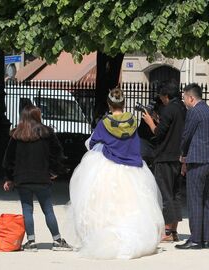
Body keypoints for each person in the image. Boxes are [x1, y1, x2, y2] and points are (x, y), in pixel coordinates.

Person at [66, 87, 164, 259]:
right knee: (133, 205)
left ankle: (104, 236)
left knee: (103, 204)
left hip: (108, 167)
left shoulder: (104, 124)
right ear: (124, 103)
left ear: (109, 105)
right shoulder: (132, 121)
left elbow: (92, 143)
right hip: (132, 168)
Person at [2, 105, 72, 252]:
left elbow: (9, 159)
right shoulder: (47, 133)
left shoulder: (16, 135)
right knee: (48, 210)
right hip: (42, 176)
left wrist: (9, 178)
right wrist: (54, 171)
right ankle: (57, 239)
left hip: (22, 178)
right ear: (37, 116)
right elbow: (57, 153)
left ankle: (31, 241)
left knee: (27, 209)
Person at [175, 83, 209, 250]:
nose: (184, 101)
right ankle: (205, 239)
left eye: (185, 98)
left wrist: (183, 156)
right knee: (206, 199)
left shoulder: (194, 112)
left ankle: (195, 240)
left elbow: (186, 136)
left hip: (197, 160)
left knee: (194, 200)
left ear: (191, 97)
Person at [142, 81, 186, 242]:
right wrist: (158, 119)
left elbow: (158, 134)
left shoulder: (169, 109)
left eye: (161, 97)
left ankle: (167, 232)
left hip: (165, 156)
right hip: (178, 157)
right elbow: (171, 129)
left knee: (165, 194)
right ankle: (173, 231)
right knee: (175, 194)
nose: (160, 100)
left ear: (166, 96)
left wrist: (149, 121)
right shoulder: (182, 109)